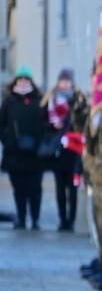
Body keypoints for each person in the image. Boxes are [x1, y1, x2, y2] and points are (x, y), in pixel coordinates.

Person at [1, 66, 47, 230]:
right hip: (15, 154)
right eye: (20, 79)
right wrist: (8, 141)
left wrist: (40, 142)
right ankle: (21, 217)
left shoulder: (39, 101)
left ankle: (35, 218)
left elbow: (45, 124)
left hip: (35, 154)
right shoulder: (9, 101)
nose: (23, 82)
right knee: (19, 188)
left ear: (31, 82)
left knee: (35, 188)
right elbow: (2, 124)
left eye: (26, 79)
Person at [42, 68, 86, 231]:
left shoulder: (78, 100)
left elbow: (82, 122)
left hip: (73, 150)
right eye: (62, 81)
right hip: (58, 150)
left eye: (67, 81)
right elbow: (42, 121)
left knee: (73, 187)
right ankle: (62, 219)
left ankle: (72, 218)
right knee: (60, 187)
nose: (65, 84)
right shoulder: (51, 99)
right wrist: (52, 126)